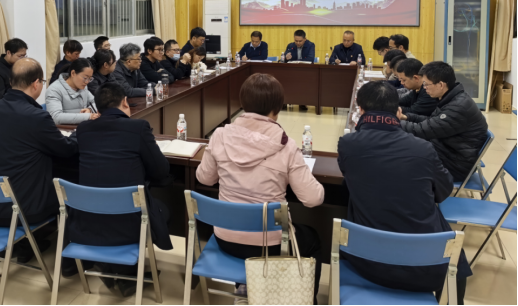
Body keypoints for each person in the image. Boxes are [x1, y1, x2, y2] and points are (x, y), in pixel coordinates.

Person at [338, 81, 472, 304]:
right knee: (456, 264)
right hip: (427, 268)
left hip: (364, 261)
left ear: (360, 110)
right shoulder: (423, 149)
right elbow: (443, 191)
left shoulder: (347, 144)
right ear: (398, 111)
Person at [196, 73, 324, 302]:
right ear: (277, 108)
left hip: (226, 238)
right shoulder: (287, 146)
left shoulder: (220, 136)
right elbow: (313, 199)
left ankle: (245, 286)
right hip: (271, 245)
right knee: (313, 239)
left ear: (243, 103)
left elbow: (204, 178)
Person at [68, 82, 172, 298]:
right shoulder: (138, 128)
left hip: (86, 221)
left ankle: (110, 266)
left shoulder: (83, 129)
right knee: (164, 209)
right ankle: (127, 272)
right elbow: (161, 170)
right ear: (125, 102)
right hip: (130, 224)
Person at [0, 58, 80, 266]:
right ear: (36, 83)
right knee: (72, 188)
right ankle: (69, 262)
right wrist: (78, 133)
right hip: (22, 211)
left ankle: (25, 244)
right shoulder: (35, 116)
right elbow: (66, 149)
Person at [398, 62, 488, 182]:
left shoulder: (458, 107)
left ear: (440, 85)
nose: (424, 87)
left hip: (454, 165)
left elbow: (424, 130)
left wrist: (392, 122)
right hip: (446, 150)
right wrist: (405, 117)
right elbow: (431, 122)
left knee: (400, 157)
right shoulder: (450, 98)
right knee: (403, 148)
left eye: (426, 84)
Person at [46, 58, 99, 125]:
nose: (87, 82)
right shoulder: (54, 90)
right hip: (65, 129)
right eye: (85, 78)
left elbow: (96, 102)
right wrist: (88, 116)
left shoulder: (83, 87)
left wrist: (89, 109)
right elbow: (56, 117)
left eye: (90, 78)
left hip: (82, 126)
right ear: (73, 73)